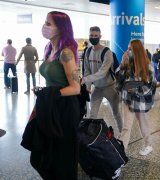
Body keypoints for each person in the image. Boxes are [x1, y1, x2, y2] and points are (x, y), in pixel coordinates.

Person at [33, 11, 81, 179]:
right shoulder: (48, 49)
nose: (44, 27)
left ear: (61, 29)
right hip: (51, 105)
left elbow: (76, 88)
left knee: (63, 155)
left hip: (64, 109)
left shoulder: (66, 53)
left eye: (49, 24)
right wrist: (44, 93)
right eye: (45, 22)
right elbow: (51, 82)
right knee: (46, 153)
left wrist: (48, 94)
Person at [81, 26, 122, 133]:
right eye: (91, 35)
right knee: (92, 115)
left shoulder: (107, 52)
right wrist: (88, 84)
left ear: (100, 36)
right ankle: (91, 138)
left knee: (116, 113)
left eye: (96, 36)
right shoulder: (88, 51)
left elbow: (102, 73)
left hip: (110, 87)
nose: (93, 37)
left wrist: (86, 79)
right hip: (97, 88)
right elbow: (87, 69)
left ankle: (122, 133)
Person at [118, 39, 156, 156]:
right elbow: (119, 78)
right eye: (128, 49)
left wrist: (131, 87)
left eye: (131, 49)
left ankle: (148, 145)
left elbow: (149, 86)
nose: (128, 51)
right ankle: (121, 151)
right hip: (128, 100)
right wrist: (122, 62)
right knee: (126, 127)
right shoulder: (127, 63)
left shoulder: (147, 66)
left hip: (141, 101)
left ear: (137, 50)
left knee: (143, 123)